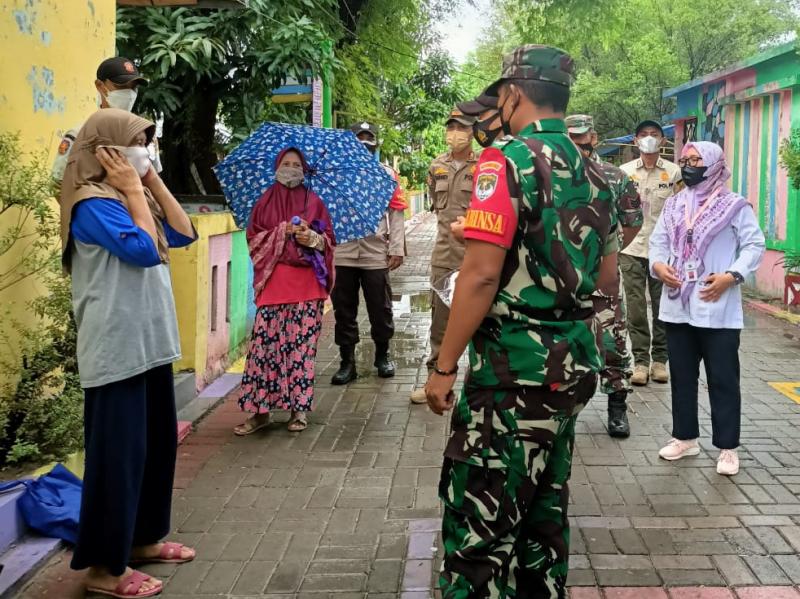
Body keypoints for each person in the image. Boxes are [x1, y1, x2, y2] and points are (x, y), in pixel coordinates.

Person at [425, 45, 616, 598]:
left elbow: (481, 278)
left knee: (481, 526)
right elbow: (604, 278)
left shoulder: (504, 162)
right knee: (543, 519)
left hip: (509, 377)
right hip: (570, 369)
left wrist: (443, 367)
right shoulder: (597, 173)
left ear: (512, 94)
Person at [60, 108, 197, 598]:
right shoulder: (92, 203)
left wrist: (151, 181)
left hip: (150, 343)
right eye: (136, 143)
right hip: (116, 346)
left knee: (154, 449)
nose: (143, 150)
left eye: (147, 143)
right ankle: (104, 569)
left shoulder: (130, 195)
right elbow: (142, 250)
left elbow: (182, 233)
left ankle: (140, 541)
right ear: (104, 151)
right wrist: (136, 191)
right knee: (116, 459)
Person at [650, 141, 764, 476]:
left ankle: (727, 447)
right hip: (677, 303)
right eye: (683, 159)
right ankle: (685, 438)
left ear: (713, 163)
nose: (688, 165)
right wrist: (658, 267)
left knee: (723, 377)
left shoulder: (734, 205)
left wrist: (732, 276)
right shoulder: (674, 204)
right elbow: (659, 242)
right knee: (682, 374)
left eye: (695, 159)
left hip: (717, 304)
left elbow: (754, 244)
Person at [234, 148, 336, 435]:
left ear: (305, 170)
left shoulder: (315, 201)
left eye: (296, 165)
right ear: (276, 167)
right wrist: (282, 231)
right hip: (274, 285)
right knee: (263, 351)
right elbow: (254, 239)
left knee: (300, 351)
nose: (291, 169)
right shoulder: (264, 202)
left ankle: (299, 411)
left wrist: (312, 237)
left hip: (307, 287)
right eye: (285, 164)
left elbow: (329, 241)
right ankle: (259, 413)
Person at [567, 114, 643, 438]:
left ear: (593, 138)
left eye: (582, 137)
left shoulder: (614, 177)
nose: (577, 144)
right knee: (567, 341)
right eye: (570, 137)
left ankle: (617, 407)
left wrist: (609, 251)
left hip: (604, 275)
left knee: (612, 339)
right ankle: (564, 409)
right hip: (566, 277)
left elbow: (633, 219)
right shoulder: (557, 177)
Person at [409, 108, 477, 404]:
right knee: (440, 320)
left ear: (473, 131)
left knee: (481, 320)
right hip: (444, 256)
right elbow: (437, 207)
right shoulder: (437, 165)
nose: (454, 133)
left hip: (476, 257)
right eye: (450, 127)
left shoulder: (486, 166)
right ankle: (434, 380)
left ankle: (479, 385)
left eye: (460, 127)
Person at [330, 122, 407, 384]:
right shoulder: (334, 174)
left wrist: (397, 248)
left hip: (376, 251)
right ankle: (346, 362)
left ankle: (382, 356)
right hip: (342, 251)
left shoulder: (386, 174)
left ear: (375, 144)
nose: (364, 144)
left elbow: (396, 212)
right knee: (344, 309)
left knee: (380, 307)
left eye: (368, 139)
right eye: (358, 139)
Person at [619, 120, 681, 386]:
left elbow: (682, 210)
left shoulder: (675, 173)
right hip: (631, 248)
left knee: (662, 307)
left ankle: (659, 361)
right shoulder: (623, 173)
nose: (649, 139)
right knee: (634, 308)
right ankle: (640, 362)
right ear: (635, 141)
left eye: (654, 135)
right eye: (643, 135)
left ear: (663, 141)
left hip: (663, 252)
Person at [52, 57, 160, 188]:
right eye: (121, 86)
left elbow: (154, 182)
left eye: (133, 88)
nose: (129, 93)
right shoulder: (79, 134)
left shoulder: (145, 134)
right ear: (100, 86)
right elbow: (58, 183)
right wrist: (84, 207)